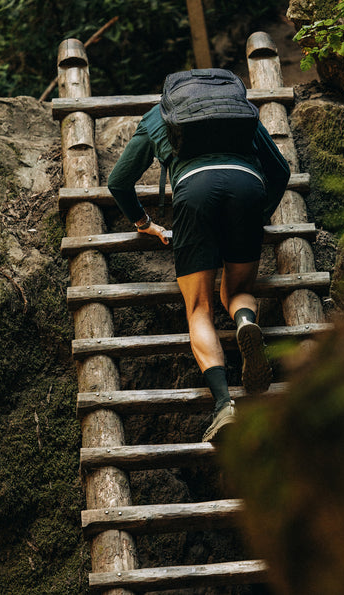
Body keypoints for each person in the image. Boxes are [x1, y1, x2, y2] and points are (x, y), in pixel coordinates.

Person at [108, 71, 290, 442]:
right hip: (247, 186)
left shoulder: (159, 116)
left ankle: (224, 405)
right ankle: (243, 322)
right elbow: (280, 171)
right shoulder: (239, 112)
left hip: (194, 190)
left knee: (200, 309)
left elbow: (119, 182)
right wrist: (260, 216)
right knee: (236, 290)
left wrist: (144, 222)